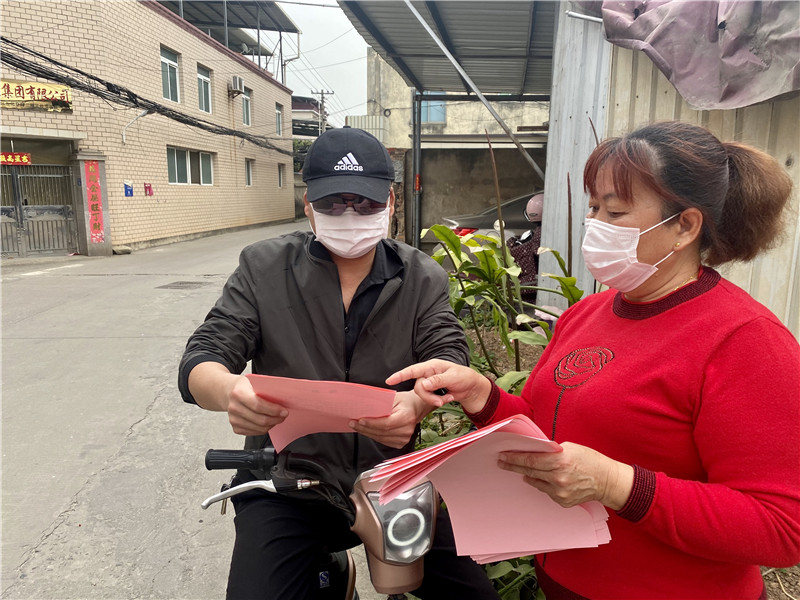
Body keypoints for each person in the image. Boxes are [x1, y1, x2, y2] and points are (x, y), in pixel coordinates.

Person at [387, 121, 800, 600]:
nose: (595, 224)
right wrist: (483, 396)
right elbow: (544, 434)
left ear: (685, 226)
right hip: (563, 583)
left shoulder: (744, 340)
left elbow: (781, 527)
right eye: (593, 207)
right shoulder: (587, 313)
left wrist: (618, 485)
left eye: (615, 211)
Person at [178, 126, 499, 600]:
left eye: (365, 203)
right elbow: (204, 354)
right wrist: (229, 391)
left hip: (390, 480)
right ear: (308, 204)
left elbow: (448, 353)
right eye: (333, 203)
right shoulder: (264, 267)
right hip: (286, 482)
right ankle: (333, 574)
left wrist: (417, 404)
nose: (350, 215)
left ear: (390, 202)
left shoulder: (421, 276)